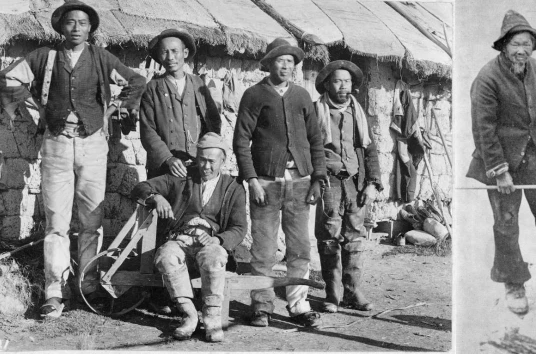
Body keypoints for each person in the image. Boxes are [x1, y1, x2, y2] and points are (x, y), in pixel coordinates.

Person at [0, 0, 146, 319]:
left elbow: (137, 82)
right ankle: (54, 291)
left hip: (93, 144)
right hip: (56, 144)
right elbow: (9, 78)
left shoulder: (101, 58)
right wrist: (37, 111)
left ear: (91, 28)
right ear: (60, 27)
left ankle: (88, 285)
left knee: (92, 219)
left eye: (82, 23)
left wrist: (114, 109)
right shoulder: (44, 57)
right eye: (70, 22)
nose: (76, 28)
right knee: (57, 222)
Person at [466, 10, 536, 315]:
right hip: (502, 163)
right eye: (516, 44)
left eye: (527, 44)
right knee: (507, 225)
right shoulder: (487, 78)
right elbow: (483, 130)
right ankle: (514, 283)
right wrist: (499, 172)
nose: (522, 50)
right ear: (503, 46)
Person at [233, 38, 327, 328]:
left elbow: (315, 140)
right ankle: (261, 306)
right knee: (263, 249)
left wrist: (318, 178)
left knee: (299, 247)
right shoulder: (254, 94)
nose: (286, 66)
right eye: (279, 61)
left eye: (290, 62)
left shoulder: (301, 96)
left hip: (300, 180)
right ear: (269, 64)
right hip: (266, 183)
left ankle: (298, 305)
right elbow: (241, 141)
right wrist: (252, 180)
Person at [131, 133, 247, 342]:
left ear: (223, 160)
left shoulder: (234, 188)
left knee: (214, 256)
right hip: (180, 241)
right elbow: (141, 187)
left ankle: (212, 319)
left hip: (210, 245)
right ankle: (190, 315)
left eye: (212, 161)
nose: (206, 166)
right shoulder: (181, 178)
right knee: (165, 256)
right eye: (201, 159)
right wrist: (155, 197)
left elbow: (239, 228)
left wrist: (218, 240)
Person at [313, 60, 382, 313]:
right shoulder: (315, 111)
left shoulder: (358, 113)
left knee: (354, 238)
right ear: (327, 84)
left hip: (355, 182)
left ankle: (353, 292)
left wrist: (373, 183)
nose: (343, 86)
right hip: (328, 182)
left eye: (347, 81)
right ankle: (333, 294)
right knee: (329, 238)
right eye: (337, 81)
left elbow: (370, 149)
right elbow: (309, 147)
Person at [140, 28, 221, 179]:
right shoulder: (152, 88)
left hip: (197, 166)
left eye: (174, 51)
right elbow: (147, 131)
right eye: (165, 52)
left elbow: (214, 121)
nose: (170, 57)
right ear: (159, 56)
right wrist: (168, 158)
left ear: (184, 53)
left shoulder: (198, 84)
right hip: (164, 168)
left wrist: (207, 152)